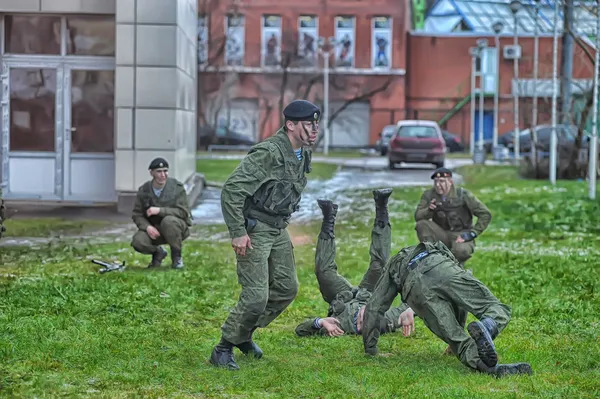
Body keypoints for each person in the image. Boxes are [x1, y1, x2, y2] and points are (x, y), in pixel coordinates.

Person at [210, 99, 320, 371]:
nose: (315, 129)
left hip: (276, 227)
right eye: (309, 124)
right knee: (256, 295)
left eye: (316, 123)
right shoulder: (269, 153)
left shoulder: (302, 152)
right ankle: (223, 347)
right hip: (255, 228)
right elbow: (232, 191)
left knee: (286, 288)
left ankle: (242, 335)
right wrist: (238, 232)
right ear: (290, 124)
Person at [361, 241, 533, 378]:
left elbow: (374, 307)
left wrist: (371, 349)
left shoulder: (393, 264)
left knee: (459, 341)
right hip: (442, 265)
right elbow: (459, 300)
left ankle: (492, 369)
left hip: (415, 286)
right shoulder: (435, 246)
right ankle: (488, 325)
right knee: (493, 306)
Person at [295, 190, 416, 338]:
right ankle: (381, 207)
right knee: (380, 264)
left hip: (340, 295)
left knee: (323, 271)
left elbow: (300, 330)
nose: (364, 323)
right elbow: (411, 307)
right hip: (369, 293)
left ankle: (328, 218)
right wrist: (410, 310)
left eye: (362, 325)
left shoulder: (339, 325)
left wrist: (319, 322)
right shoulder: (383, 321)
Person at [414, 167, 492, 266]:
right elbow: (418, 216)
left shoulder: (463, 195)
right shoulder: (429, 195)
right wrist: (429, 210)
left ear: (450, 181)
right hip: (441, 233)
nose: (438, 185)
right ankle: (432, 258)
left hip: (461, 234)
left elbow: (485, 214)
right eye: (436, 182)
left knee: (461, 251)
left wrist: (472, 233)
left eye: (442, 181)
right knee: (422, 224)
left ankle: (454, 267)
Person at [130, 157, 192, 269]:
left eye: (165, 171)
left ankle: (176, 257)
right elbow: (137, 214)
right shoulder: (144, 190)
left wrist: (159, 210)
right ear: (151, 173)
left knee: (168, 221)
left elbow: (183, 212)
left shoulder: (177, 188)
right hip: (154, 230)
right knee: (138, 241)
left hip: (175, 228)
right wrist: (147, 227)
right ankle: (158, 253)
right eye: (159, 171)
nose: (163, 175)